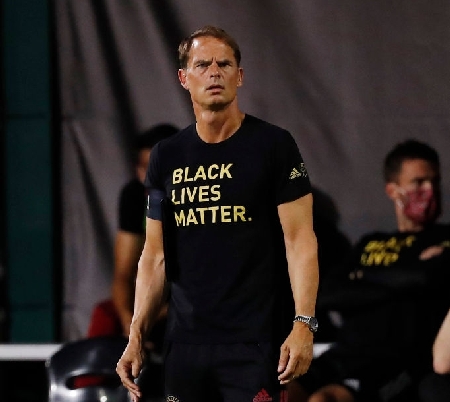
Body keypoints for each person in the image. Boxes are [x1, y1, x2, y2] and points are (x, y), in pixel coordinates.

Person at [116, 25, 319, 402]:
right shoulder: (166, 155)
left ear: (239, 76)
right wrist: (136, 335)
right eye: (202, 64)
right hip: (185, 346)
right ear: (184, 78)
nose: (214, 72)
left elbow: (300, 240)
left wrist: (304, 323)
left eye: (224, 64)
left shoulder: (273, 145)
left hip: (254, 344)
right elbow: (155, 256)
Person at [288, 139, 450, 402]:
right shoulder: (370, 242)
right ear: (393, 190)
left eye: (435, 182)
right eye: (419, 182)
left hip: (392, 362)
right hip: (343, 353)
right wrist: (405, 277)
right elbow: (328, 293)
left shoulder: (445, 239)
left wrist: (362, 277)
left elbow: (427, 278)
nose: (430, 190)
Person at [87, 124, 178, 349]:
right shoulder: (135, 196)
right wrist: (129, 321)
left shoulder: (203, 199)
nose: (151, 179)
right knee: (105, 315)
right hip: (152, 301)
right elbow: (123, 274)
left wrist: (148, 319)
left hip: (193, 302)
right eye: (145, 169)